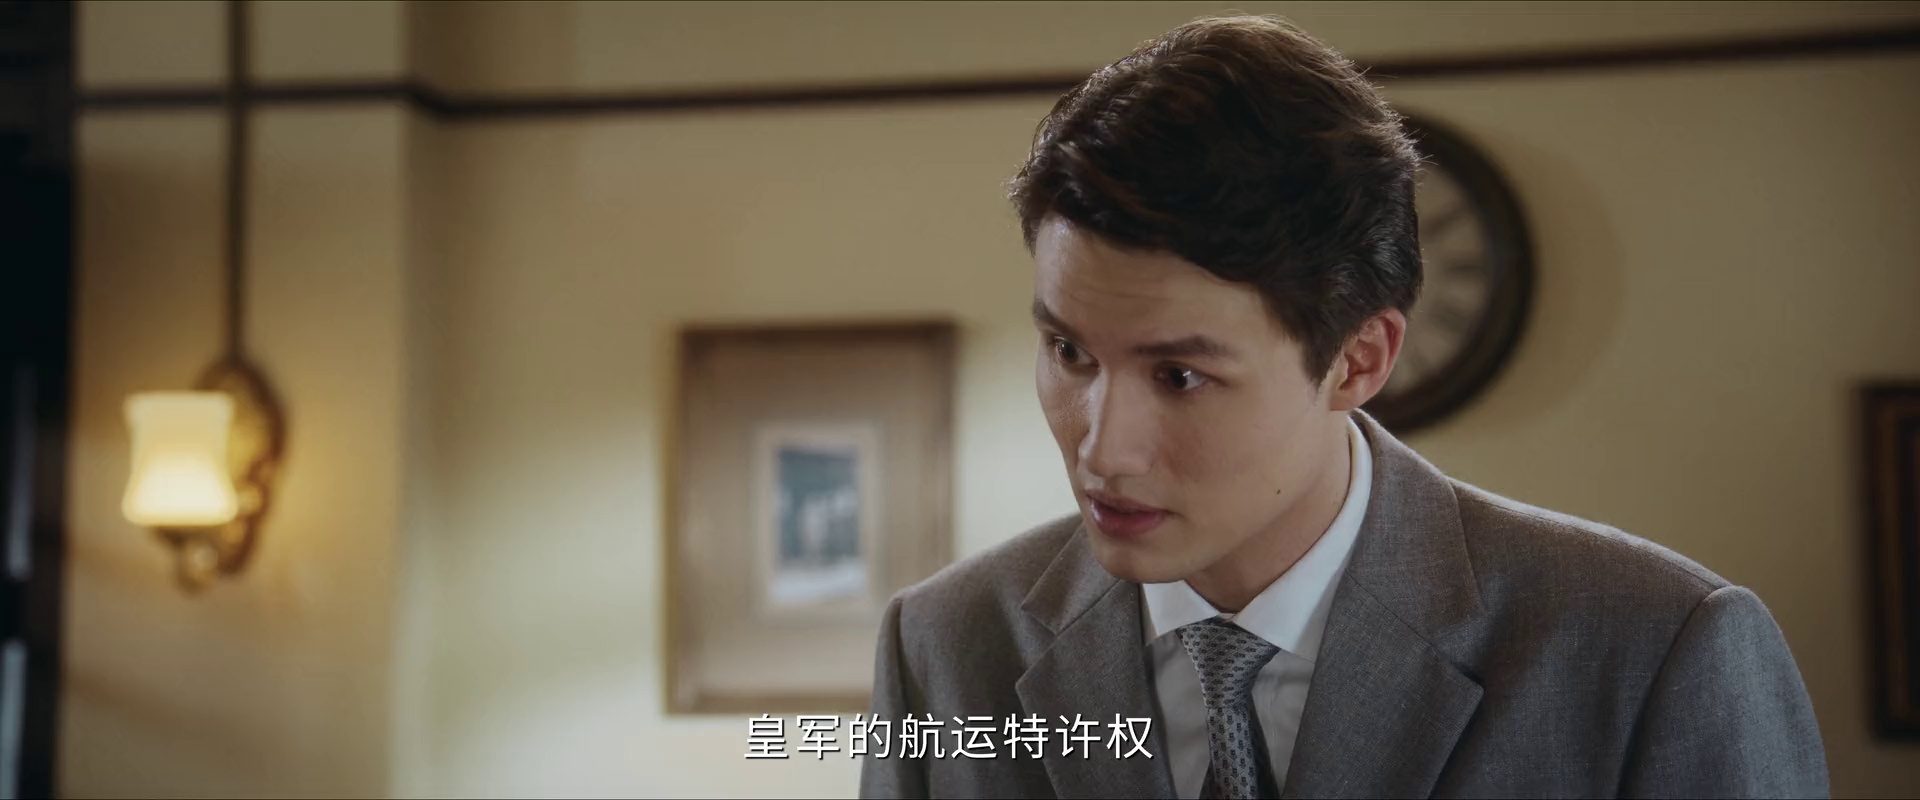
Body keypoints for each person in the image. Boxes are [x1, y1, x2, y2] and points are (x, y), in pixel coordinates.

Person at [858, 14, 1827, 800]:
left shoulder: (1653, 649)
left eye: (1180, 375)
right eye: (1069, 352)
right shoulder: (944, 646)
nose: (1101, 449)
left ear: (1359, 360)